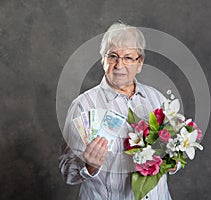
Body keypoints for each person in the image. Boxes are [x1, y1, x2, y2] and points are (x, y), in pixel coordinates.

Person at [59, 22, 180, 200]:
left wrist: (173, 162)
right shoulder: (83, 106)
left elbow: (174, 152)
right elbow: (67, 171)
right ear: (103, 60)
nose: (119, 64)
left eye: (128, 58)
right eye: (113, 56)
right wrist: (89, 165)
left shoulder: (158, 99)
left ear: (140, 63)